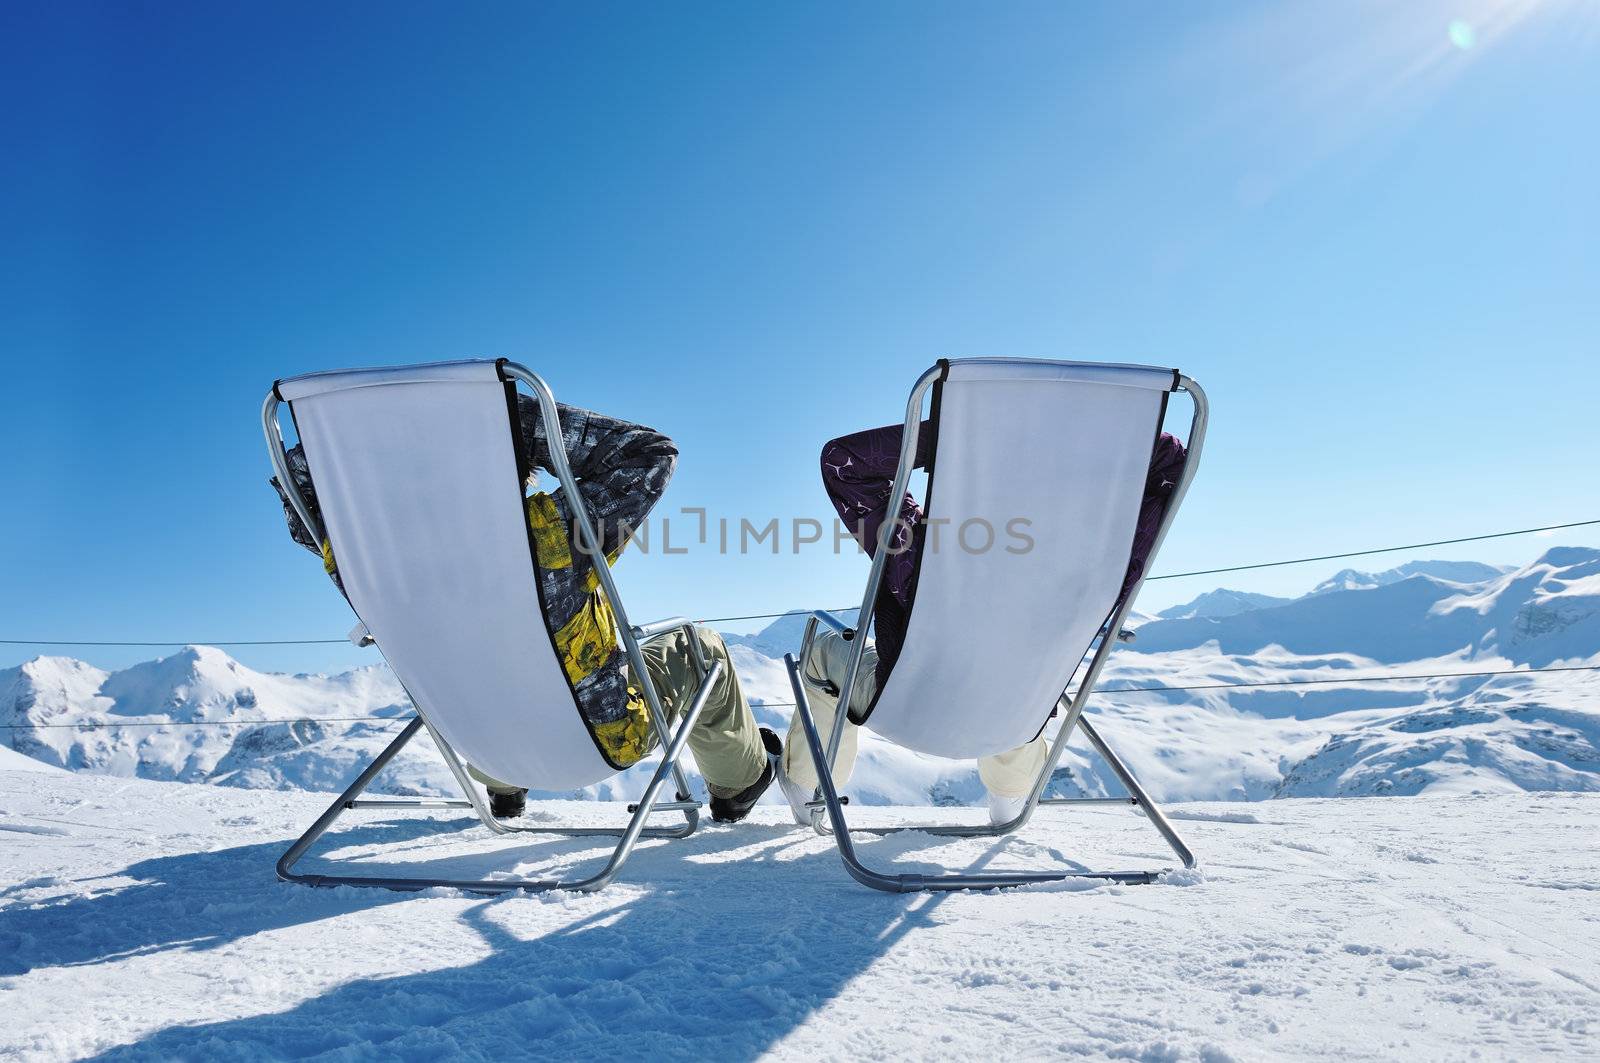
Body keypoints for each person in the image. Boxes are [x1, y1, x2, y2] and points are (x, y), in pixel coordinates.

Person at [271, 396, 781, 823]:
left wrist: (367, 441)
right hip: (600, 740)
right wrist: (503, 419)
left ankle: (504, 786)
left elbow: (296, 487)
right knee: (699, 646)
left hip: (482, 745)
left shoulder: (360, 553)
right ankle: (739, 788)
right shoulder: (551, 529)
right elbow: (650, 453)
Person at [779, 420, 1187, 826]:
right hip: (1016, 719)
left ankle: (806, 789)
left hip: (911, 709)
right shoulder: (1097, 567)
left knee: (823, 650)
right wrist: (1066, 437)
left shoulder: (923, 557)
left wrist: (968, 433)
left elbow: (844, 461)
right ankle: (1011, 796)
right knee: (1021, 665)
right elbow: (1170, 465)